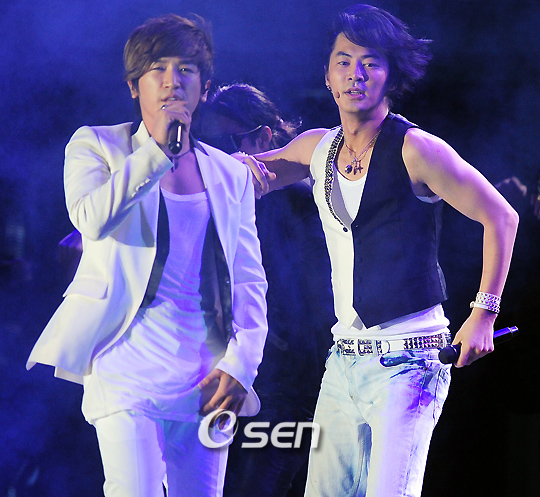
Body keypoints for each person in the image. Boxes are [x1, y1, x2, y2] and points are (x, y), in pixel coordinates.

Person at [241, 4, 519, 497]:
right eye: (344, 62)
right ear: (327, 76)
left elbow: (502, 217)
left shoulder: (417, 148)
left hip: (410, 362)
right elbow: (245, 174)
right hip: (343, 361)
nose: (356, 74)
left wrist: (484, 313)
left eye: (370, 62)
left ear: (391, 75)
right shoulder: (316, 148)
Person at [26, 14, 268, 497]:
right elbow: (92, 219)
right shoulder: (97, 146)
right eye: (158, 68)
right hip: (124, 369)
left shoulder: (230, 174)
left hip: (204, 375)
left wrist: (242, 364)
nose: (172, 81)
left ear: (204, 87)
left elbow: (248, 279)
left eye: (186, 70)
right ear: (134, 86)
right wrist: (157, 149)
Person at [197, 83, 334, 497]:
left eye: (229, 143)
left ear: (264, 138)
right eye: (209, 144)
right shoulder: (207, 196)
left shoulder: (302, 203)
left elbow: (316, 303)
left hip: (285, 383)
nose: (218, 156)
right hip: (224, 372)